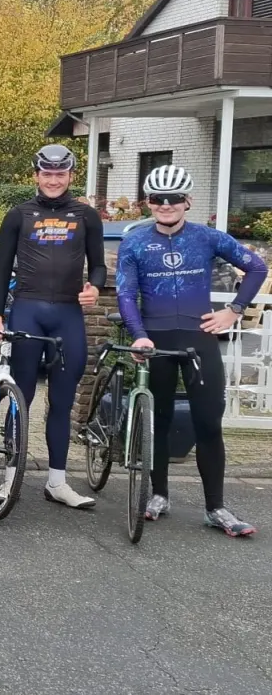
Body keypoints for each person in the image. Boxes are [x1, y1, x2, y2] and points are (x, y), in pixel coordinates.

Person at [116, 165, 264, 537]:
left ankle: (216, 507)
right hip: (156, 340)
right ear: (147, 203)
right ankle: (159, 495)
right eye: (157, 199)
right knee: (160, 421)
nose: (165, 205)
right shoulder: (134, 241)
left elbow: (257, 268)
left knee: (209, 423)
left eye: (174, 199)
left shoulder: (207, 237)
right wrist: (138, 335)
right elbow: (124, 293)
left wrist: (233, 311)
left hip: (199, 339)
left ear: (188, 202)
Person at [0, 145, 105, 509]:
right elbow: (2, 268)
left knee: (62, 401)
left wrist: (95, 288)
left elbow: (98, 265)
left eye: (60, 174)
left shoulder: (86, 215)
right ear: (36, 175)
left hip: (68, 314)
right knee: (20, 398)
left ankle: (57, 482)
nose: (53, 180)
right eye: (47, 174)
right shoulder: (18, 214)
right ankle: (11, 478)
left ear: (70, 176)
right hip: (27, 311)